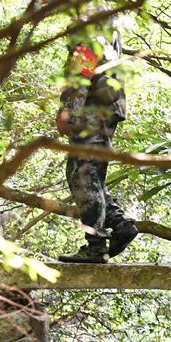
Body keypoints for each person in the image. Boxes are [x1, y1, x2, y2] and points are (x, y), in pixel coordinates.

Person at [57, 28, 138, 263]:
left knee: (82, 176)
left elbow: (84, 66)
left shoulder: (90, 19)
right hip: (102, 108)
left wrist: (69, 109)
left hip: (93, 110)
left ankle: (96, 246)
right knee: (89, 175)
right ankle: (120, 224)